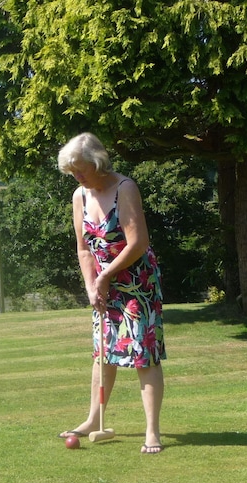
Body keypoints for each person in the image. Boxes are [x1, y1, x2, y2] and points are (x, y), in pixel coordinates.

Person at [56, 132, 166, 454]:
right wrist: (91, 285)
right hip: (103, 284)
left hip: (136, 283)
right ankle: (94, 419)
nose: (76, 176)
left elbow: (138, 243)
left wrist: (105, 275)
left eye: (80, 169)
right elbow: (83, 249)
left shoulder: (124, 188)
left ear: (97, 162)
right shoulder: (80, 196)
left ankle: (152, 432)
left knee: (143, 354)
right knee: (103, 353)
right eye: (72, 171)